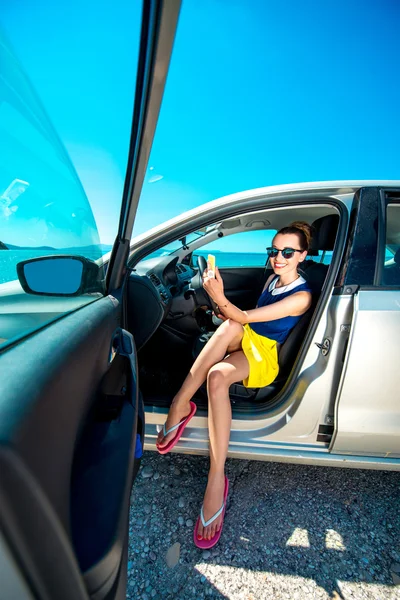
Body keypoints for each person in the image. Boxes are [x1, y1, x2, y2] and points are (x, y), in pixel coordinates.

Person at [156, 221, 313, 548]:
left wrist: (219, 295)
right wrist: (218, 302)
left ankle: (215, 476)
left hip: (266, 356)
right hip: (249, 338)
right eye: (274, 251)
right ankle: (182, 407)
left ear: (303, 255)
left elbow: (243, 318)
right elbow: (246, 318)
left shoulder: (302, 296)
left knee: (225, 340)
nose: (278, 258)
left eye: (287, 252)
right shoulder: (271, 279)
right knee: (222, 343)